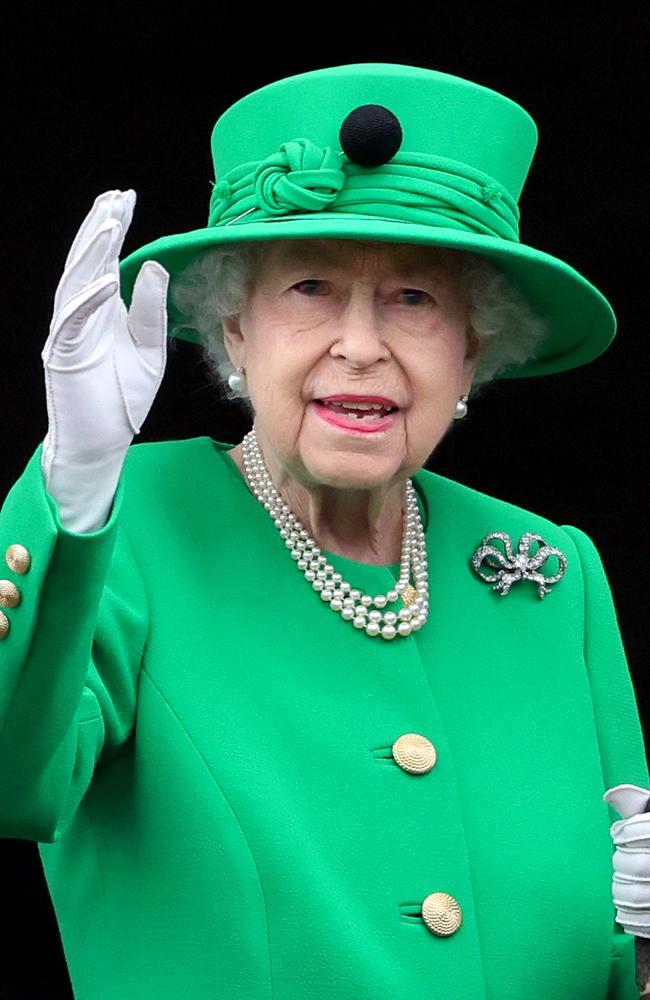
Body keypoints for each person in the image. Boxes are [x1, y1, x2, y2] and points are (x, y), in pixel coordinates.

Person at [1, 61, 649, 1000]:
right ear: (233, 329)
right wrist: (72, 484)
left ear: (472, 350)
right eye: (309, 288)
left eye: (415, 300)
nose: (360, 344)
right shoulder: (122, 524)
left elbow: (619, 958)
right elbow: (13, 776)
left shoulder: (551, 574)